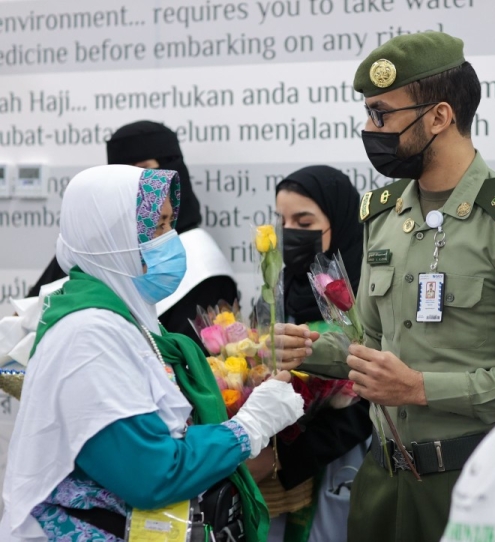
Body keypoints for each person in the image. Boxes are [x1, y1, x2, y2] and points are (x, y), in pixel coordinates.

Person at [276, 31, 495, 542]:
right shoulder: (385, 216)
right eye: (369, 114)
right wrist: (306, 348)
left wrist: (420, 389)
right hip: (381, 484)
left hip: (475, 487)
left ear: (438, 117)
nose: (370, 129)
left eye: (382, 114)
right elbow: (369, 341)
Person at [0, 165, 304, 541]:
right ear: (110, 236)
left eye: (168, 225)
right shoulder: (89, 337)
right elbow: (149, 473)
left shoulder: (124, 317)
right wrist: (248, 427)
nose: (170, 241)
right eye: (156, 227)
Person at [27, 121, 237, 348]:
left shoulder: (199, 262)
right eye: (122, 176)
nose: (135, 186)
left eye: (143, 170)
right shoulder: (87, 249)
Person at [247, 166, 372, 542]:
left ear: (339, 219)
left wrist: (292, 456)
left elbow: (370, 399)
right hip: (277, 473)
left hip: (343, 462)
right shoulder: (279, 286)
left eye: (304, 220)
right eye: (282, 220)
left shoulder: (366, 287)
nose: (290, 232)